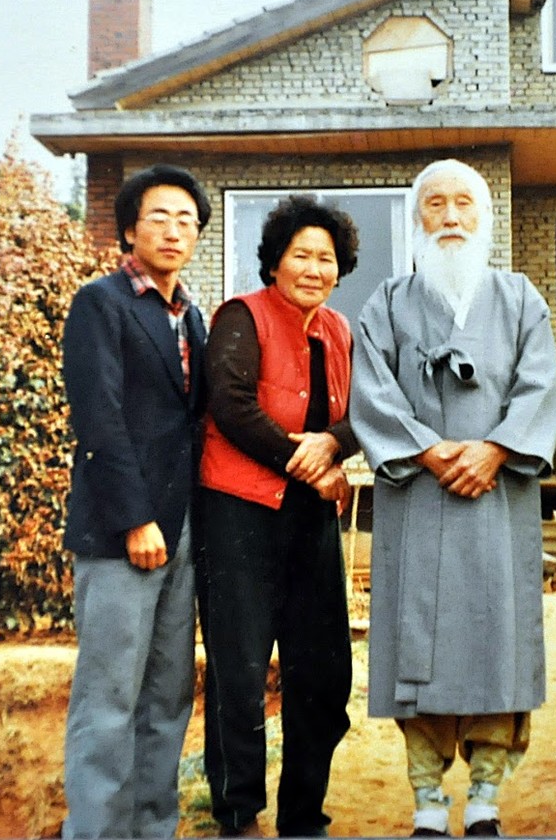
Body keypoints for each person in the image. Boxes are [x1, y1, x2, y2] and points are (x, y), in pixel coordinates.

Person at [350, 159, 556, 837]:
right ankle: (425, 799)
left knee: (493, 638)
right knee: (422, 642)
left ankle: (487, 796)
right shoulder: (387, 300)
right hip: (418, 493)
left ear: (484, 216)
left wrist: (495, 449)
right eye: (434, 204)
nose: (449, 217)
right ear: (416, 218)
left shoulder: (521, 297)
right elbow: (371, 390)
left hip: (497, 499)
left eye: (463, 203)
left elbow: (540, 387)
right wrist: (430, 450)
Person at [194, 195, 360, 838]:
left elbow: (361, 411)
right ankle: (238, 814)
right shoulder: (243, 316)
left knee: (322, 670)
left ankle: (303, 816)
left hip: (309, 523)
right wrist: (310, 461)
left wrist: (337, 447)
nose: (313, 268)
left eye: (326, 257)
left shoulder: (341, 331)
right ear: (274, 263)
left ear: (340, 267)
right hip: (239, 516)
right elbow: (231, 406)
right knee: (239, 670)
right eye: (301, 255)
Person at [61, 163, 211, 838]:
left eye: (187, 220)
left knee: (167, 695)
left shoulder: (193, 317)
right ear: (129, 228)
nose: (174, 230)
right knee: (109, 696)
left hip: (181, 533)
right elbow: (100, 418)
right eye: (160, 216)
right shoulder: (101, 303)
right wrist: (136, 518)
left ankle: (156, 826)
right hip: (125, 533)